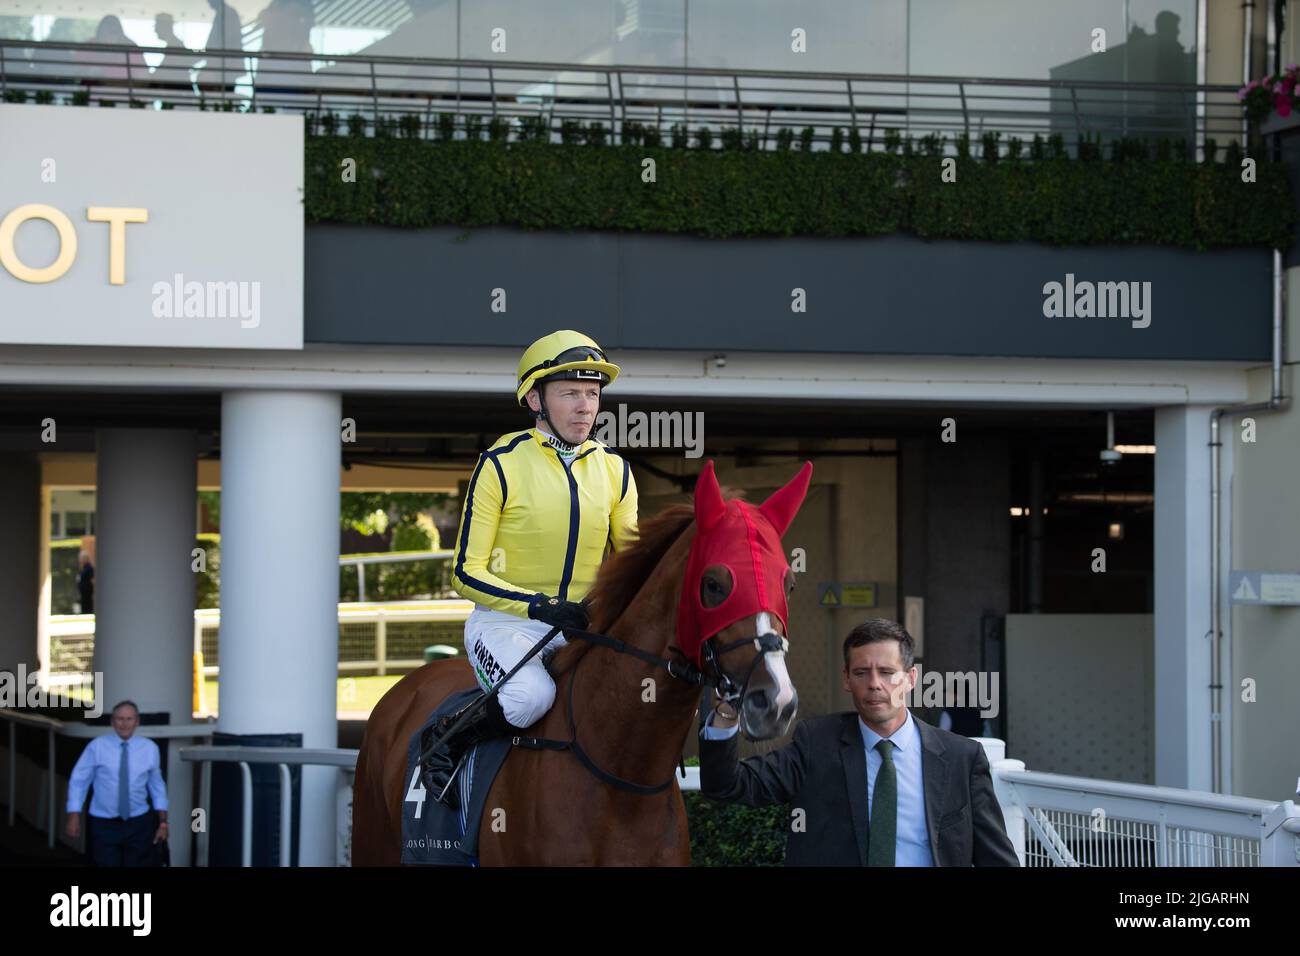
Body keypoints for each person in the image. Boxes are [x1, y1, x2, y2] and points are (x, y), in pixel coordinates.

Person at [422, 330, 639, 808]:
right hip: (506, 625)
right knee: (530, 698)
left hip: (581, 627)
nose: (586, 407)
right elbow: (465, 571)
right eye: (570, 394)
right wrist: (537, 607)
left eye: (592, 393)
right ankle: (445, 740)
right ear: (534, 399)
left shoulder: (616, 471)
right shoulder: (500, 463)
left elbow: (630, 566)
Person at [699, 618, 1020, 866]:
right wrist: (727, 713)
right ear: (846, 679)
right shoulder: (816, 743)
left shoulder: (960, 758)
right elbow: (727, 785)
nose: (875, 684)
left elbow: (997, 860)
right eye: (862, 672)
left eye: (887, 672)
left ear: (910, 679)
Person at [65, 701, 170, 866]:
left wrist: (163, 822)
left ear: (137, 721)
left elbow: (157, 786)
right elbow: (79, 781)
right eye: (120, 719)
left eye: (129, 719)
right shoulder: (97, 746)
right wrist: (73, 814)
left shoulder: (150, 749)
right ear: (112, 722)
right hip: (103, 822)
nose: (124, 723)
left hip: (139, 822)